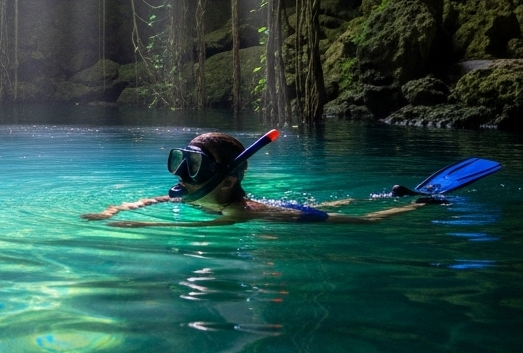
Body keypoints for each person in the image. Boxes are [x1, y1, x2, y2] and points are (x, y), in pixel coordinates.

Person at [81, 131, 444, 227]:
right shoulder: (196, 193)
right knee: (331, 201)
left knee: (365, 221)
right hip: (276, 204)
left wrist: (143, 225)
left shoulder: (236, 212)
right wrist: (116, 209)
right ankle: (390, 194)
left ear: (226, 181)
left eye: (194, 166)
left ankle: (417, 203)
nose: (182, 175)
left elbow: (201, 229)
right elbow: (156, 199)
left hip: (285, 214)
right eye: (182, 162)